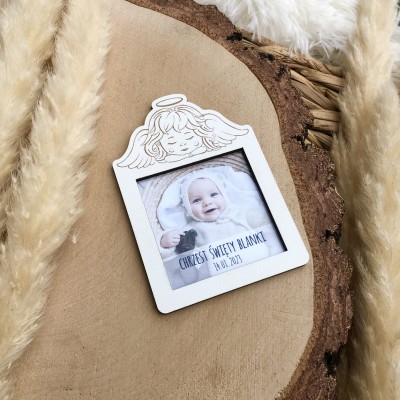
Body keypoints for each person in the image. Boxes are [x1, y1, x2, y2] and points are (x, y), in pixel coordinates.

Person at [157, 167, 285, 288]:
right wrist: (165, 241)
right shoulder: (193, 229)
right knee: (187, 267)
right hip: (220, 277)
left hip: (258, 266)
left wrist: (276, 257)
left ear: (224, 195)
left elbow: (269, 232)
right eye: (197, 200)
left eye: (213, 194)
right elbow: (173, 250)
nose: (207, 202)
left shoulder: (241, 214)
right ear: (188, 208)